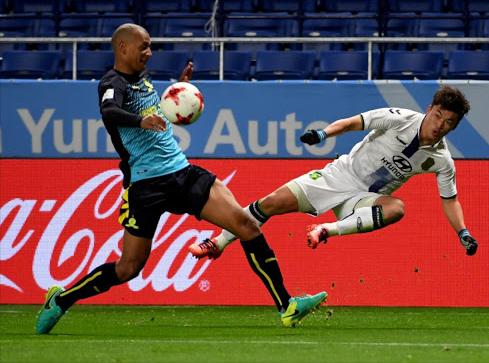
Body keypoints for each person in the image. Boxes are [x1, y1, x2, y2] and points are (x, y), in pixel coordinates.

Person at [35, 23, 327, 335]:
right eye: (143, 46)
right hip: (146, 186)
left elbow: (152, 111)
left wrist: (177, 94)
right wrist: (141, 121)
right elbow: (109, 111)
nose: (149, 52)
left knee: (246, 226)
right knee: (129, 268)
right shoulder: (112, 82)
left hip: (182, 173)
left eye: (150, 46)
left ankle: (287, 306)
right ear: (122, 48)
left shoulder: (143, 80)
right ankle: (62, 300)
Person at [189, 85, 479, 260]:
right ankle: (218, 242)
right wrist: (322, 134)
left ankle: (326, 230)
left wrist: (462, 231)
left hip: (365, 199)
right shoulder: (399, 119)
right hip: (338, 176)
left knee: (397, 208)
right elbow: (353, 123)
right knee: (271, 203)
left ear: (454, 127)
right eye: (438, 115)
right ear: (429, 109)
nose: (439, 125)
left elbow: (450, 199)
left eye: (449, 122)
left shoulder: (442, 160)